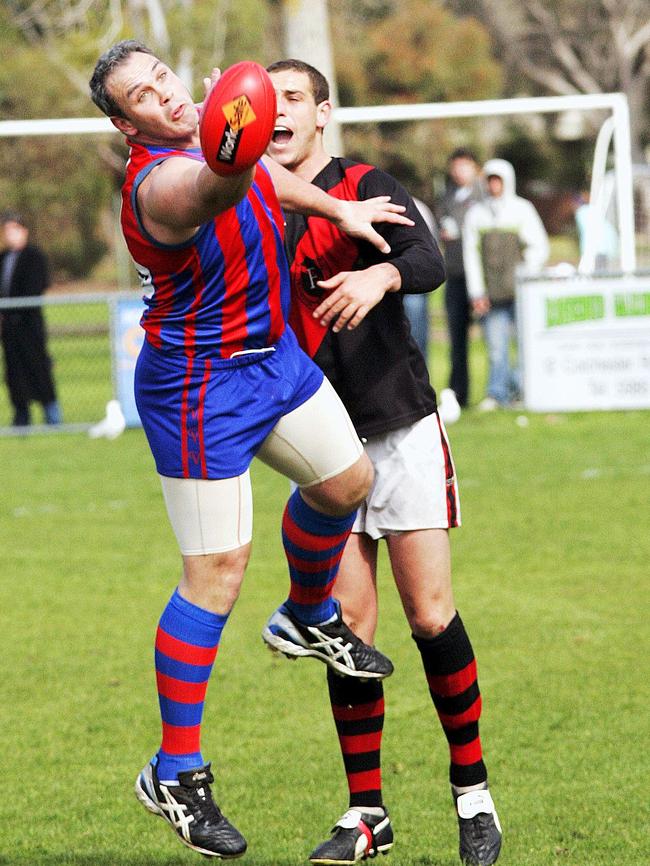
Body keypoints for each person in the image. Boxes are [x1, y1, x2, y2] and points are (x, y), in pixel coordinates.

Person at [89, 40, 413, 860]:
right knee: (216, 575)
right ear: (126, 122)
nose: (162, 93)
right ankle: (176, 772)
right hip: (199, 386)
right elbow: (223, 181)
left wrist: (337, 209)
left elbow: (265, 176)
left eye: (162, 76)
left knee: (348, 483)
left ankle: (307, 614)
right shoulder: (160, 182)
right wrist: (240, 126)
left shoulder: (211, 139)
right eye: (142, 95)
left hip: (272, 358)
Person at [266, 58, 502, 866]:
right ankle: (367, 814)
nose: (280, 112)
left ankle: (472, 792)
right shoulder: (252, 205)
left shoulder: (364, 181)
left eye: (293, 98)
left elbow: (432, 261)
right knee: (349, 634)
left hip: (398, 425)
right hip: (321, 445)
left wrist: (381, 273)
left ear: (322, 113)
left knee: (430, 615)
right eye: (270, 102)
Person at [463, 159, 549, 411]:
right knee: (496, 347)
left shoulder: (522, 210)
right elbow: (471, 256)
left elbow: (538, 247)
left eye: (497, 179)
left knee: (524, 344)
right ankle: (496, 393)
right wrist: (477, 291)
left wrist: (525, 273)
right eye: (490, 180)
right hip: (492, 294)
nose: (493, 185)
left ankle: (521, 391)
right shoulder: (476, 214)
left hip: (520, 292)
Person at [0, 212, 62, 427]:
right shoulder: (4, 259)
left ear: (23, 231)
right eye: (7, 231)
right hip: (8, 329)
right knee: (14, 373)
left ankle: (52, 415)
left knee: (38, 368)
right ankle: (21, 415)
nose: (10, 235)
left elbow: (36, 287)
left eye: (14, 230)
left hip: (29, 325)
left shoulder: (34, 257)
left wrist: (17, 309)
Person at [435, 148, 484, 412]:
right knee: (456, 339)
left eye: (464, 165)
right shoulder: (447, 197)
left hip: (483, 279)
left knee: (494, 336)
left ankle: (498, 392)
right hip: (455, 274)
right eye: (455, 166)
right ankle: (458, 393)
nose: (458, 171)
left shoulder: (486, 195)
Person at [401, 196, 438, 360]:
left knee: (417, 339)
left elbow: (430, 251)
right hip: (387, 285)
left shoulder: (419, 208)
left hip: (412, 285)